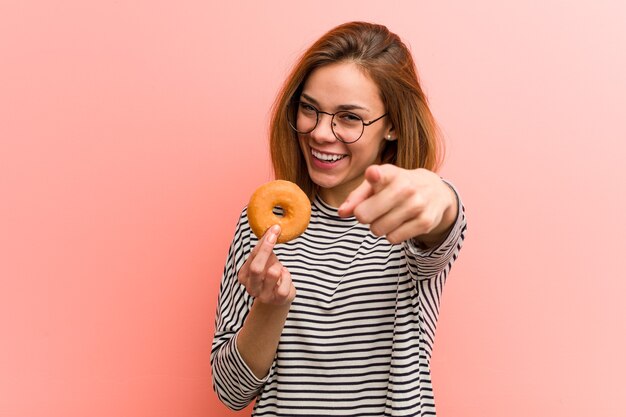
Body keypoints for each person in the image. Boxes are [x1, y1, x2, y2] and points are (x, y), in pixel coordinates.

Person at [211, 21, 467, 416]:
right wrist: (271, 305)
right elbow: (230, 392)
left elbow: (441, 219)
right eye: (310, 109)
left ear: (393, 126)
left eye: (349, 118)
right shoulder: (263, 226)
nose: (320, 133)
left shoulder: (408, 217)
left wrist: (440, 194)